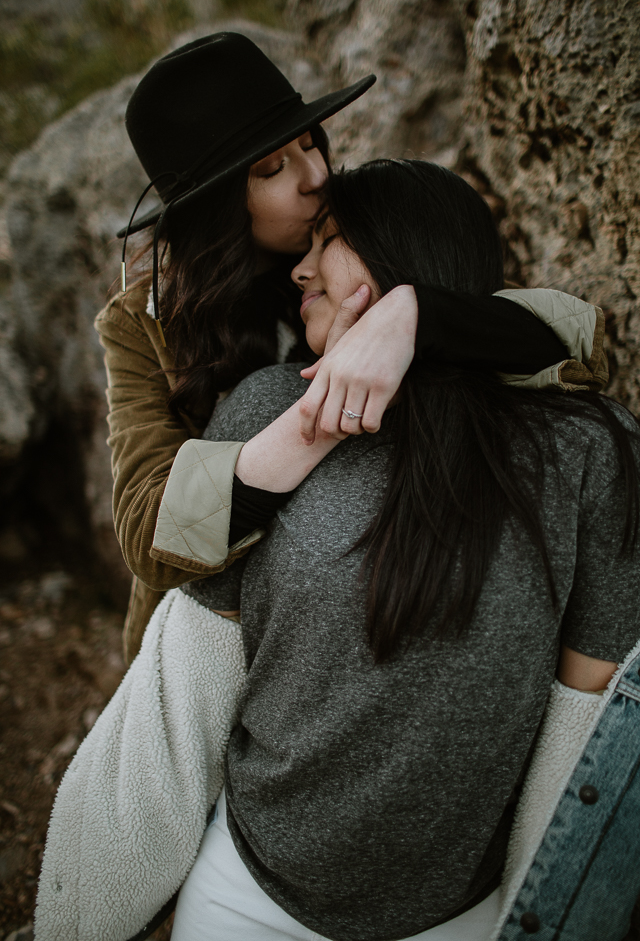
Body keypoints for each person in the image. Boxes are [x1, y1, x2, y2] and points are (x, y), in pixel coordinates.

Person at [162, 158, 640, 941]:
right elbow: (191, 612)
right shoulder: (270, 404)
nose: (301, 268)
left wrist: (540, 909)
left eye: (331, 240)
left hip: (460, 917)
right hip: (246, 892)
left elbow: (589, 717)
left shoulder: (584, 450)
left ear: (408, 254)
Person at [94, 32, 576, 664]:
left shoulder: (354, 238)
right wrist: (321, 413)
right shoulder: (142, 322)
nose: (317, 176)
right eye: (273, 169)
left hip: (363, 624)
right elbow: (146, 531)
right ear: (214, 206)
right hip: (207, 643)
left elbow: (573, 334)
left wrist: (416, 313)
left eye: (310, 142)